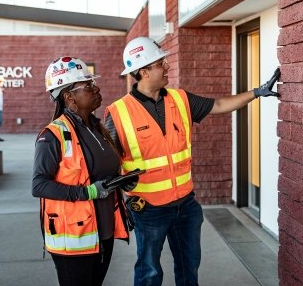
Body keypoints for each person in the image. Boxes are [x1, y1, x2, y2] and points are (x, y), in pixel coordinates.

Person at [104, 37, 280, 286]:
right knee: (149, 272)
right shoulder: (119, 112)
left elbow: (218, 104)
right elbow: (106, 160)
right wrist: (119, 183)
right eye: (160, 63)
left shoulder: (180, 99)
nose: (167, 66)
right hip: (149, 209)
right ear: (144, 71)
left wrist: (256, 93)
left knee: (189, 269)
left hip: (186, 205)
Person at [32, 56, 134, 286]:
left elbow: (100, 173)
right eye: (87, 86)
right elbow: (39, 185)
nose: (96, 88)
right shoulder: (52, 136)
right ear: (69, 97)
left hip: (103, 230)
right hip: (73, 240)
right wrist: (87, 193)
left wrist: (121, 182)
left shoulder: (97, 128)